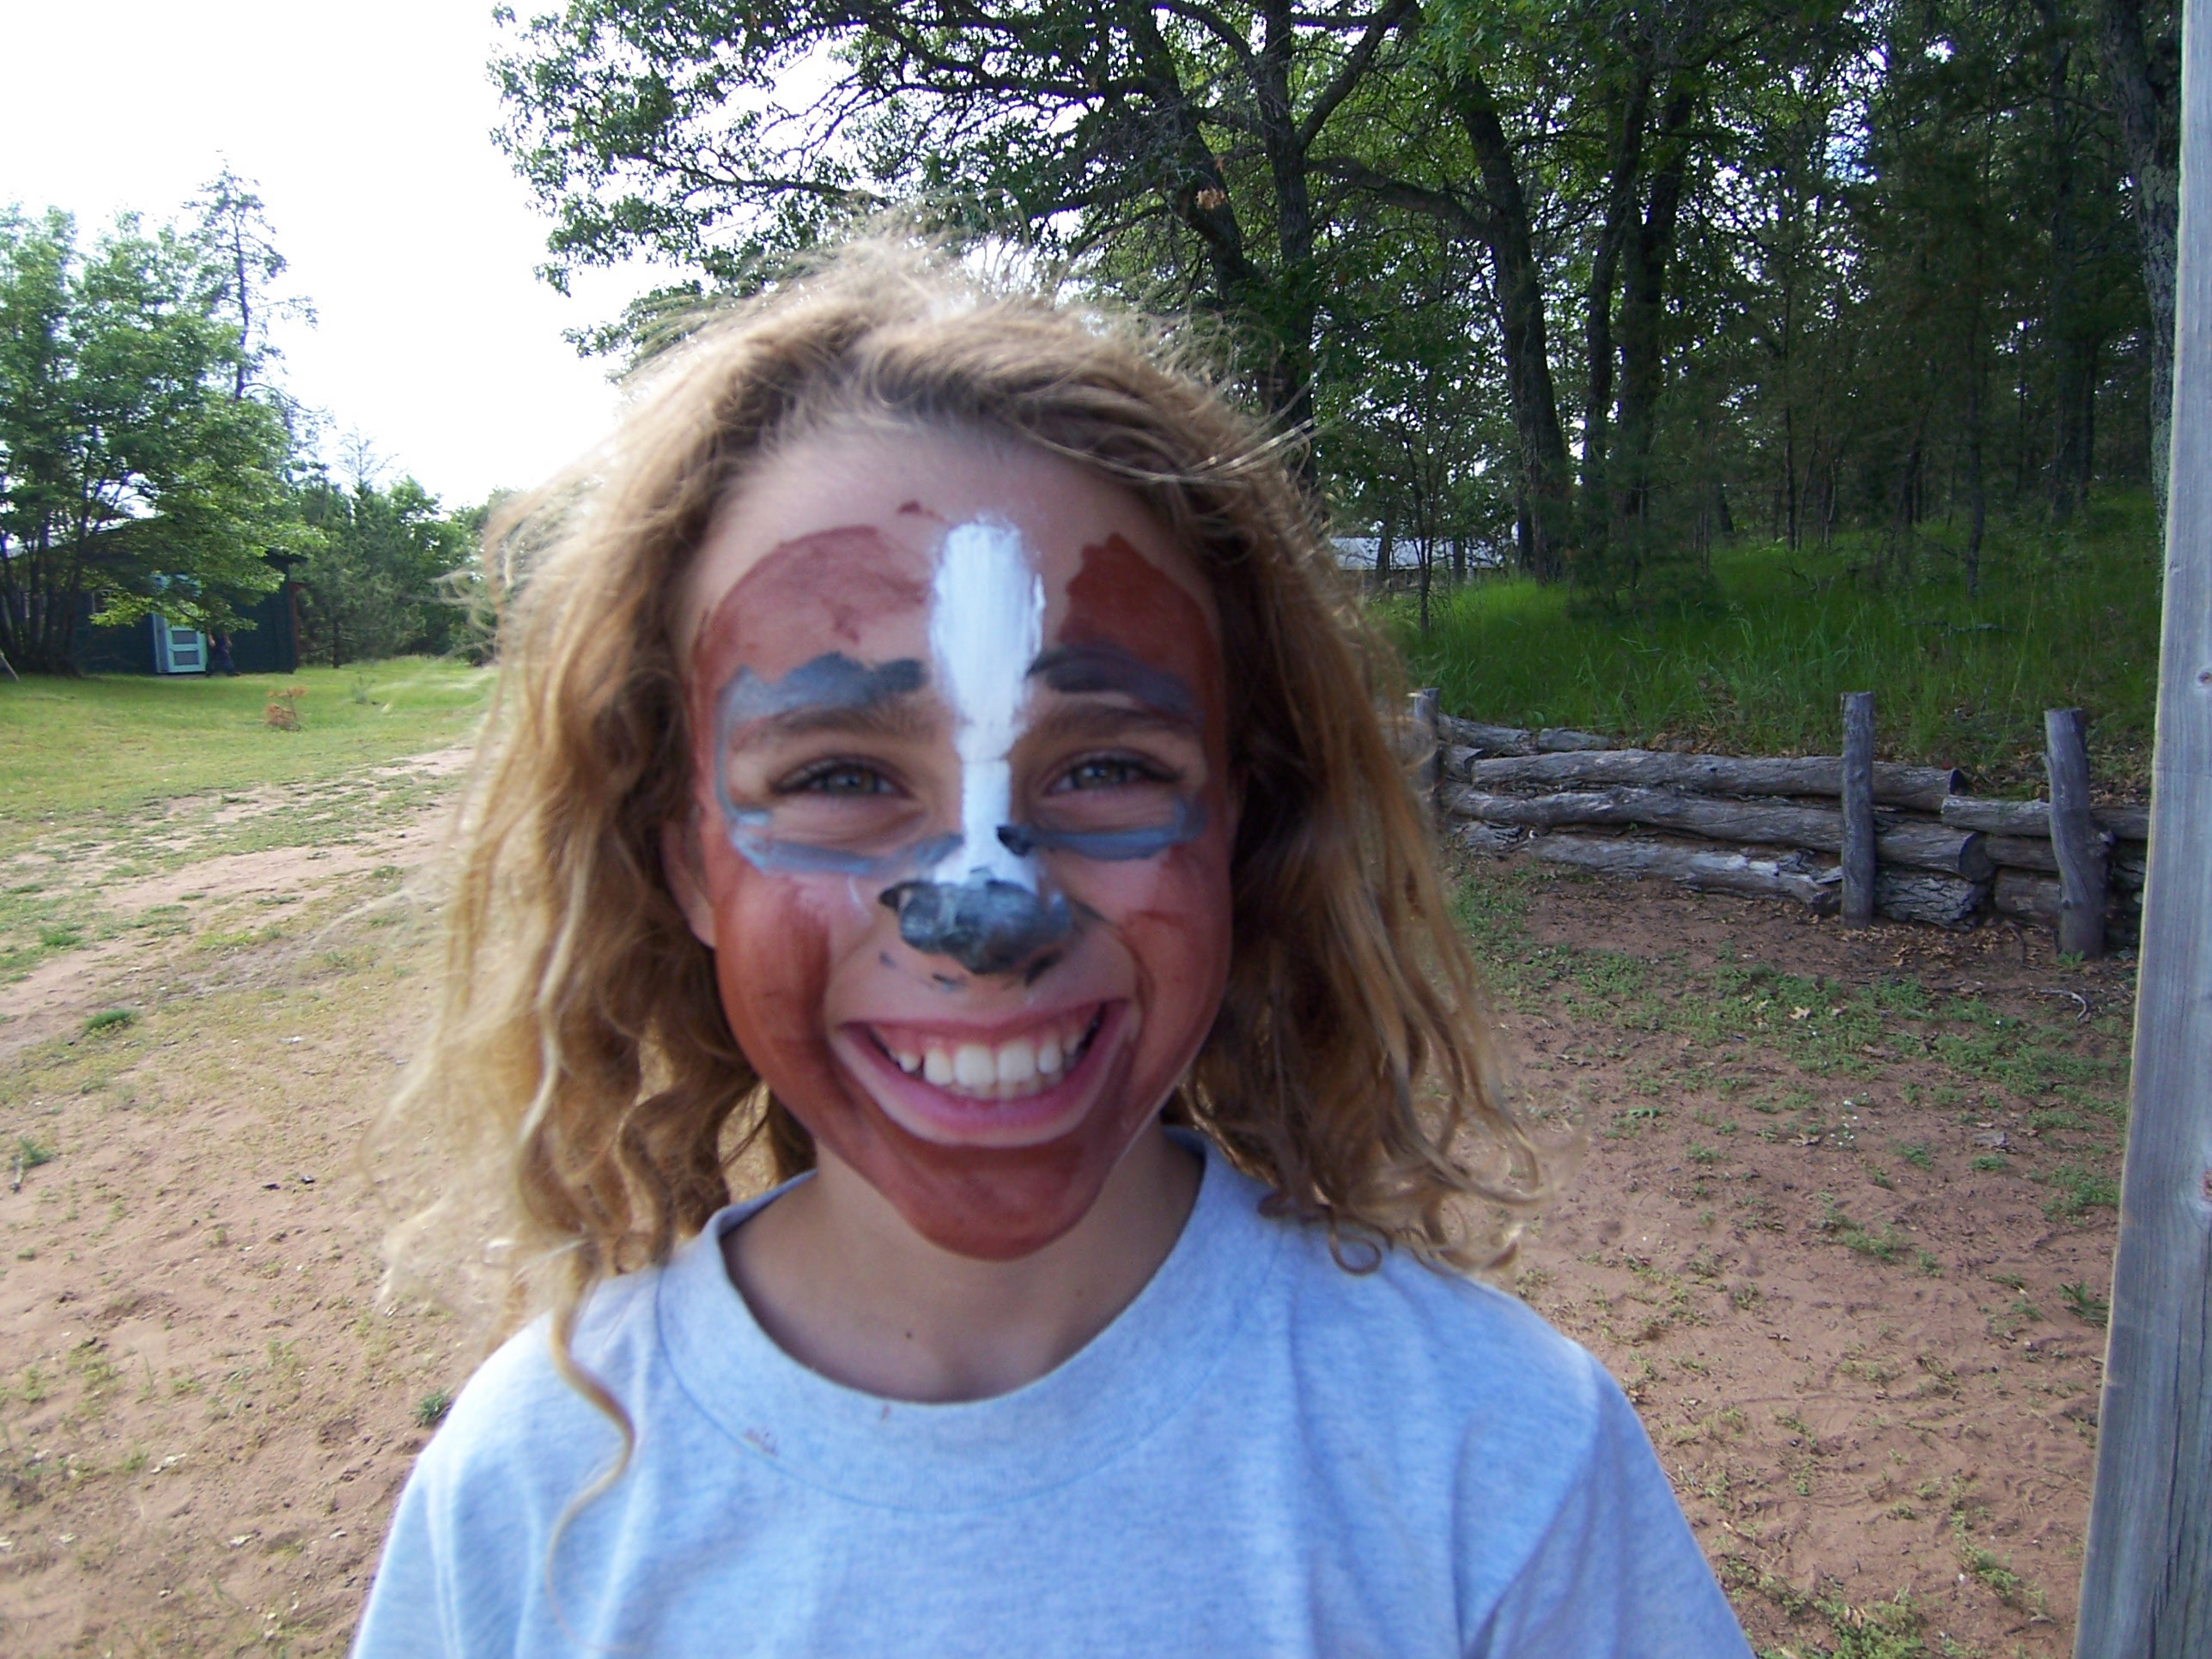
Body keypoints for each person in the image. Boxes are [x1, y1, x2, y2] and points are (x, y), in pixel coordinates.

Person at [351, 237, 1751, 1657]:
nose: (988, 915)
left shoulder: (1497, 1467)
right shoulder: (532, 1500)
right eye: (840, 776)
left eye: (1106, 769)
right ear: (686, 862)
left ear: (1237, 823)